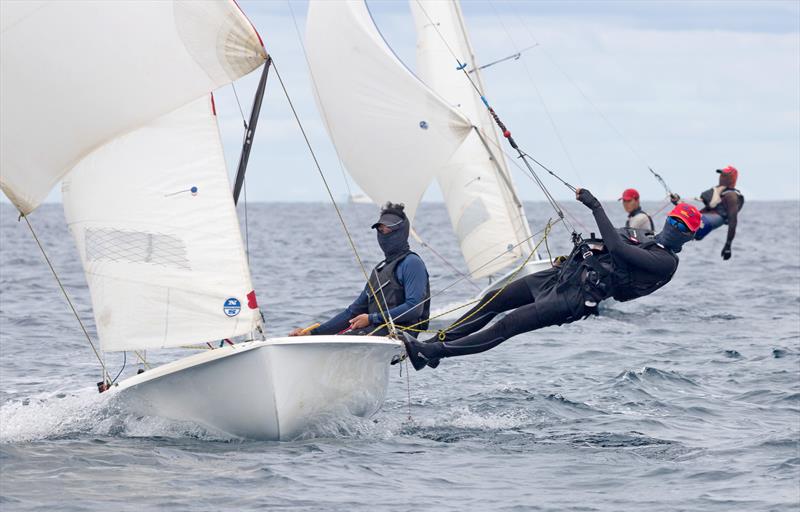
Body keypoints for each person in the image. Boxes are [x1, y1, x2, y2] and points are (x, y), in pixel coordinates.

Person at [401, 189, 702, 371]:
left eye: (682, 225)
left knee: (507, 326)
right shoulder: (646, 237)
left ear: (690, 235)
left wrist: (596, 206)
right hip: (563, 276)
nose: (675, 225)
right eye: (674, 219)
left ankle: (433, 353)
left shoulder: (665, 263)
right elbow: (608, 246)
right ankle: (431, 346)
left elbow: (621, 249)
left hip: (574, 299)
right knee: (495, 299)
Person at [289, 202, 430, 337]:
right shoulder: (380, 270)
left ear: (401, 232)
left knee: (348, 338)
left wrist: (372, 318)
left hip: (401, 334)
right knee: (339, 337)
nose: (384, 234)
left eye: (389, 230)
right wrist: (313, 333)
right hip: (377, 330)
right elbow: (352, 312)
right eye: (380, 231)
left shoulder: (412, 263)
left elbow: (414, 308)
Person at [694, 165, 744, 260]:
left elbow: (733, 222)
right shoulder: (718, 193)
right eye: (721, 175)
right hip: (702, 221)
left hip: (707, 223)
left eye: (724, 176)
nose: (721, 178)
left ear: (731, 179)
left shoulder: (731, 196)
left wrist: (728, 246)